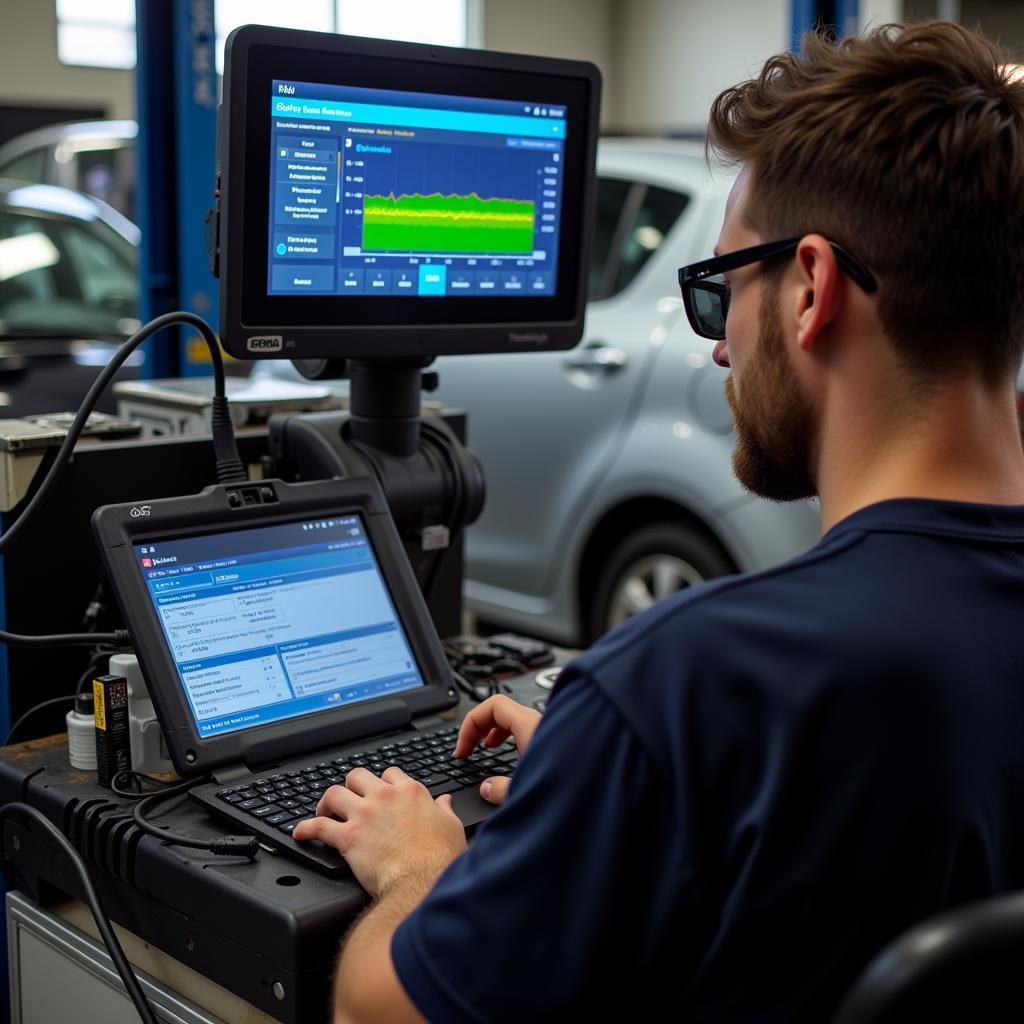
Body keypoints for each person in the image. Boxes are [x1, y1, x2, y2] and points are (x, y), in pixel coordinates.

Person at [293, 20, 1024, 1022]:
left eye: (721, 289)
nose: (721, 349)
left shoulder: (688, 686)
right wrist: (615, 778)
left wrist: (425, 868)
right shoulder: (689, 719)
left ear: (810, 287)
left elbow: (379, 1012)